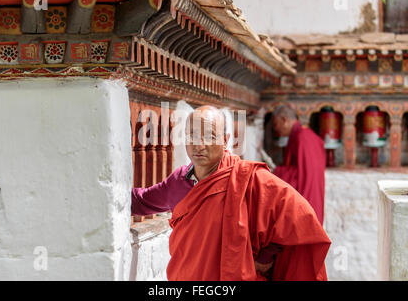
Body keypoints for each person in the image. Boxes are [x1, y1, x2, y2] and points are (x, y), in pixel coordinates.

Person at [132, 105, 331, 281]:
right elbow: (141, 201)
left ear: (225, 140)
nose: (199, 145)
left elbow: (298, 215)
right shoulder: (179, 181)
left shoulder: (247, 179)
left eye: (209, 136)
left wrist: (265, 256)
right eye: (192, 135)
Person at [272, 105, 327, 225]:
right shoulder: (304, 136)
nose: (276, 129)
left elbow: (301, 175)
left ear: (284, 120)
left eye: (276, 124)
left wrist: (276, 171)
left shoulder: (303, 138)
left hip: (306, 199)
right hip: (312, 199)